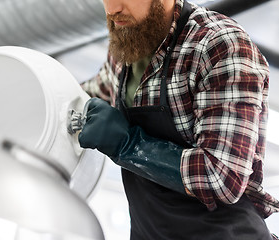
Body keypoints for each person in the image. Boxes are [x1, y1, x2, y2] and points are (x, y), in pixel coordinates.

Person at [78, 0, 279, 239]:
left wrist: (128, 145)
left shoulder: (218, 45)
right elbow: (85, 94)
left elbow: (222, 177)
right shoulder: (126, 47)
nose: (112, 10)